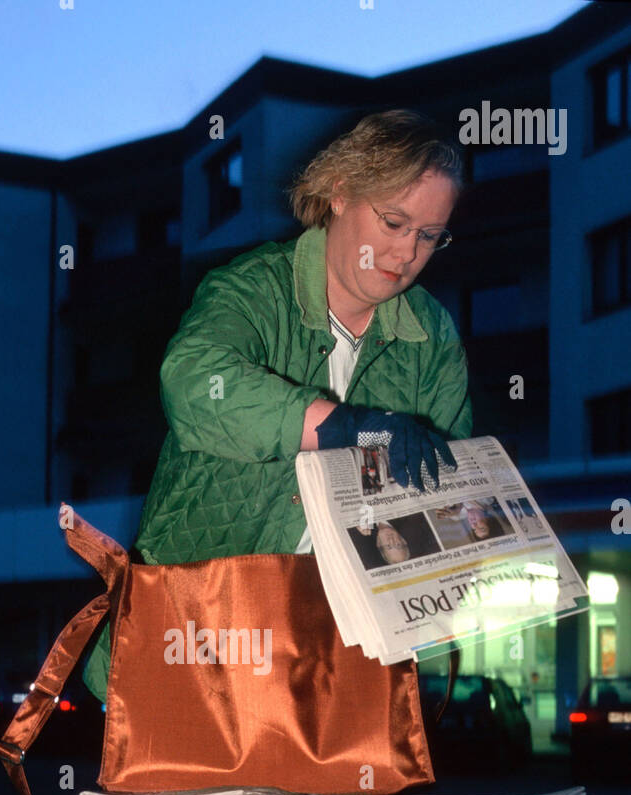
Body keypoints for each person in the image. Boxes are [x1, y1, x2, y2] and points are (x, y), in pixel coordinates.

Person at [83, 108, 473, 704]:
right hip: (196, 638)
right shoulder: (251, 290)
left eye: (429, 236)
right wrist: (345, 426)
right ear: (340, 192)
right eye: (394, 222)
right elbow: (192, 381)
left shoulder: (431, 335)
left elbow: (450, 481)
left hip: (332, 656)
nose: (407, 253)